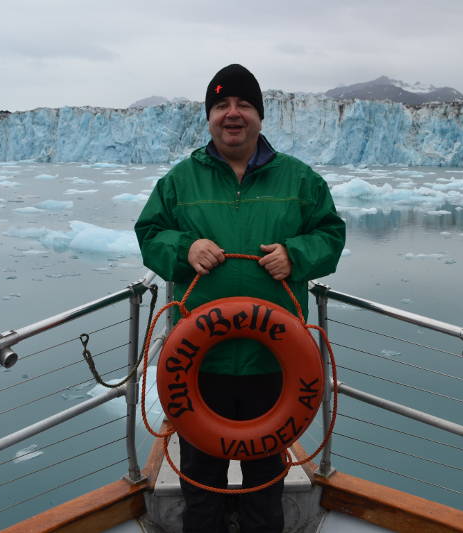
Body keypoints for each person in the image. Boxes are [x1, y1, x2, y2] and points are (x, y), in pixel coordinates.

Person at [135, 64, 345, 533]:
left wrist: (297, 254)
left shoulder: (300, 181)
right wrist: (183, 248)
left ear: (259, 116)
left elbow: (330, 235)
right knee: (201, 484)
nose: (233, 114)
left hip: (271, 364)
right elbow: (150, 234)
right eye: (222, 105)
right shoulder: (179, 181)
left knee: (265, 485)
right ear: (209, 117)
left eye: (244, 104)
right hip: (197, 365)